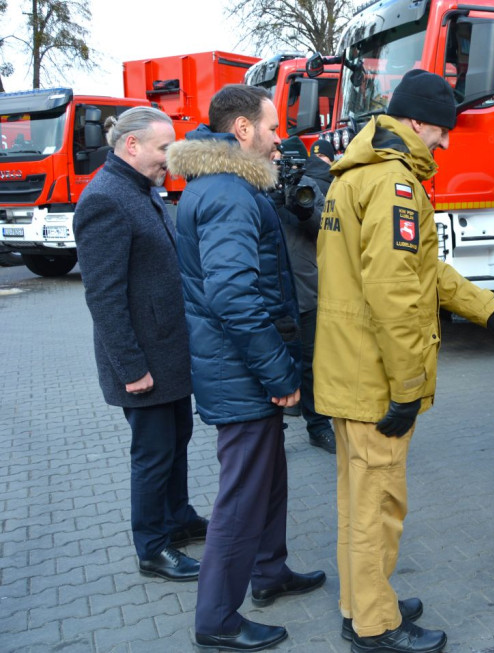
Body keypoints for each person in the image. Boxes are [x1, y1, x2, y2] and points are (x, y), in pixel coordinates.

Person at [314, 69, 494, 653]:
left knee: (358, 498)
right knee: (378, 504)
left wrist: (490, 310)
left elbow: (424, 271)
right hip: (375, 378)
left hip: (347, 369)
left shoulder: (357, 174)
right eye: (441, 130)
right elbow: (398, 296)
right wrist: (408, 388)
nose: (445, 143)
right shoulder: (394, 185)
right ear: (414, 123)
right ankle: (376, 626)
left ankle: (362, 600)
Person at [168, 84, 326, 653]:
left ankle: (270, 572)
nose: (278, 136)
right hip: (242, 373)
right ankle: (216, 619)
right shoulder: (228, 195)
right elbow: (234, 296)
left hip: (239, 369)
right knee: (241, 495)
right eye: (271, 125)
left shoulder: (225, 187)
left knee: (269, 479)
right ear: (242, 130)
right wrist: (280, 375)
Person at [73, 106, 207, 583]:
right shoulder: (105, 199)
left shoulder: (141, 190)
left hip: (168, 352)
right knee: (152, 454)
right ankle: (152, 547)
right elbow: (104, 296)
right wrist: (131, 368)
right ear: (131, 146)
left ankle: (178, 518)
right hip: (144, 361)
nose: (169, 157)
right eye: (162, 148)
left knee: (176, 440)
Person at [274, 136, 337, 453]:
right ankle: (272, 432)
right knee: (274, 362)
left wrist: (303, 207)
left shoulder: (312, 186)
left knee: (313, 364)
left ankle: (318, 426)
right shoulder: (258, 185)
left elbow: (328, 229)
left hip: (308, 290)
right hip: (273, 294)